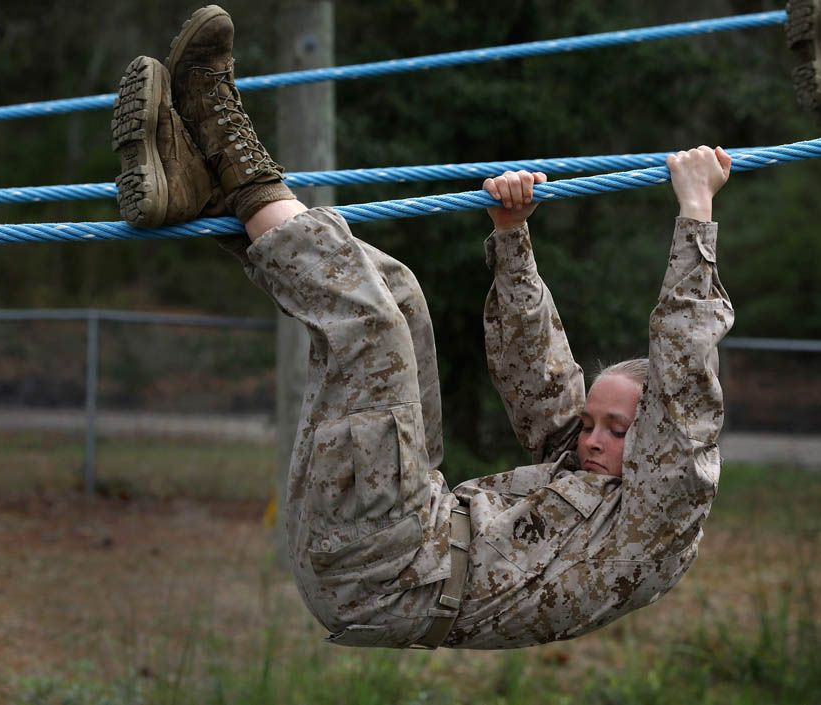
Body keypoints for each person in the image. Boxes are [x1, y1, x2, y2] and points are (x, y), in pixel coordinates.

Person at [111, 4, 734, 650]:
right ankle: (197, 188)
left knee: (369, 327)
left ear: (656, 438)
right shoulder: (583, 471)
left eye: (618, 429)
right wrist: (512, 235)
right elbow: (539, 380)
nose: (592, 439)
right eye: (591, 424)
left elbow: (684, 382)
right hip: (402, 531)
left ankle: (219, 125)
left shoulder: (660, 513)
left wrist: (695, 213)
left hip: (392, 568)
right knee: (399, 296)